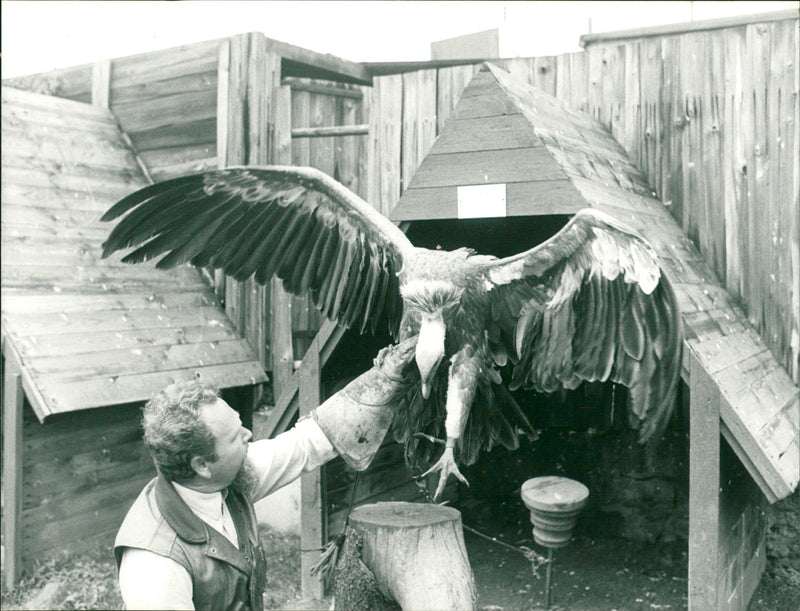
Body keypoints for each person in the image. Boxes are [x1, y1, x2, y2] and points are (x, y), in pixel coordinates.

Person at [114, 338, 416, 610]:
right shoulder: (153, 564)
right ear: (201, 465)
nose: (248, 434)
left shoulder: (223, 479)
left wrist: (383, 380)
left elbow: (307, 442)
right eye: (235, 437)